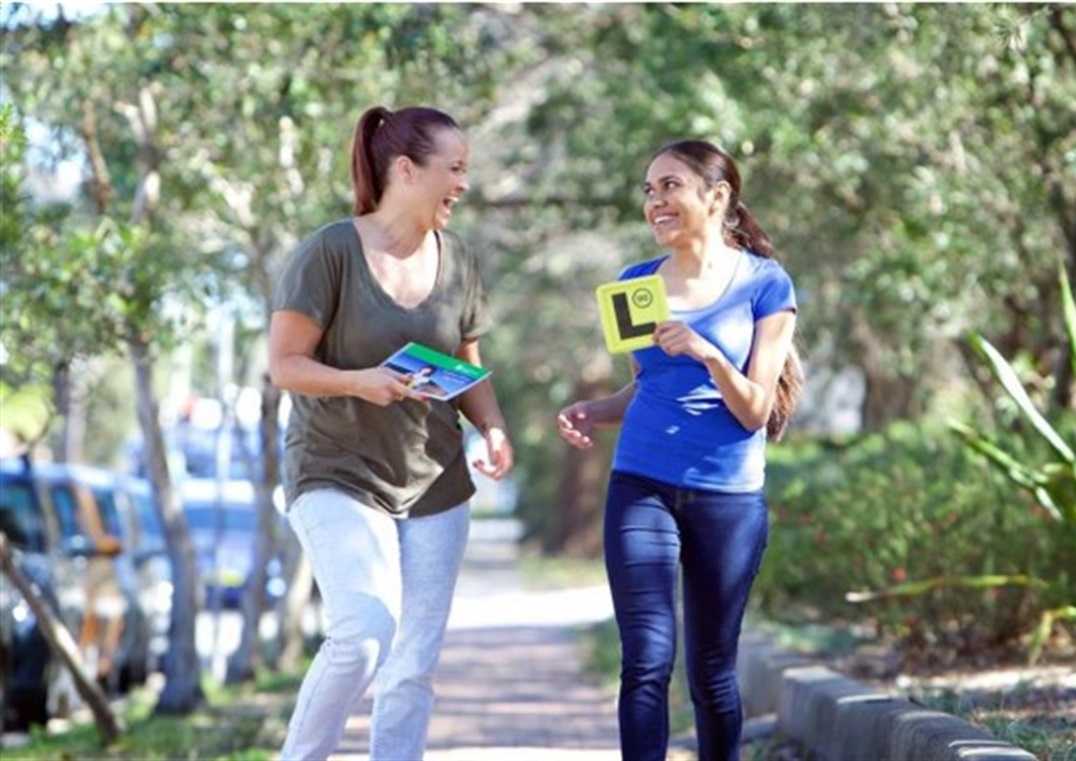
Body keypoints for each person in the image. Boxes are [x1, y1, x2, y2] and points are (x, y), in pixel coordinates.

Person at [268, 104, 513, 761]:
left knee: (413, 661)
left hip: (435, 483)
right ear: (406, 169)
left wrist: (491, 426)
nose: (464, 182)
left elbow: (468, 361)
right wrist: (360, 380)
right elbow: (284, 365)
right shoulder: (330, 252)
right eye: (454, 168)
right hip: (336, 472)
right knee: (366, 630)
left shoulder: (458, 259)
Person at [557, 139, 803, 761]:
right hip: (640, 483)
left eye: (670, 185)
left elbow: (753, 409)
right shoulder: (635, 283)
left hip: (728, 497)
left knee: (712, 671)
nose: (655, 201)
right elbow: (649, 387)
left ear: (717, 197)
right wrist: (597, 410)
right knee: (644, 659)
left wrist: (707, 350)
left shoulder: (764, 285)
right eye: (648, 189)